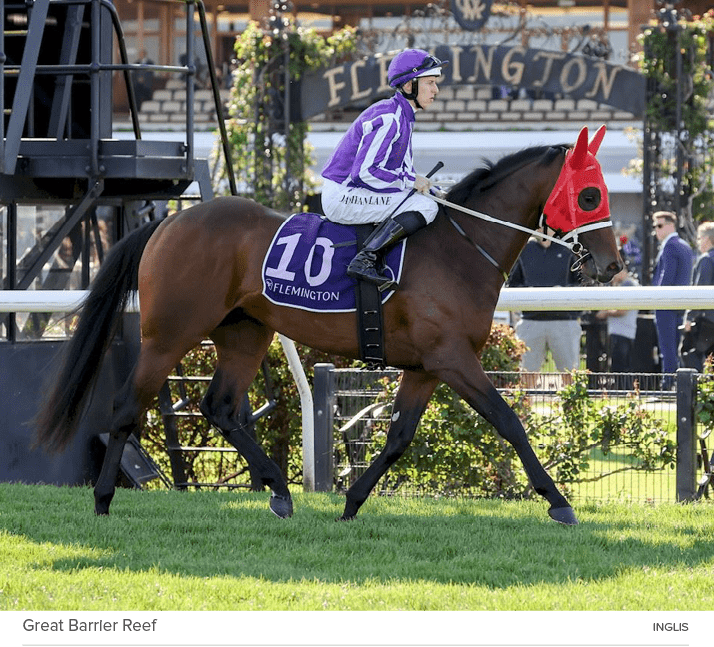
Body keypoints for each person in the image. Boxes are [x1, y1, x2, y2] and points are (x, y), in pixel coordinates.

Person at [320, 48, 448, 291]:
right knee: (426, 206)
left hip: (356, 191)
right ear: (410, 85)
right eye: (430, 82)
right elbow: (365, 172)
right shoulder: (390, 117)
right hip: (343, 195)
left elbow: (401, 172)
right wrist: (412, 181)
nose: (436, 90)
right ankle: (366, 259)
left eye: (435, 83)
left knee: (432, 199)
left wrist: (433, 189)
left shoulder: (403, 115)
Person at [508, 234, 582, 388]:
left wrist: (561, 293)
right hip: (530, 322)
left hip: (564, 322)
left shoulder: (570, 250)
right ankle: (523, 411)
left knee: (570, 375)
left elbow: (582, 284)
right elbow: (512, 285)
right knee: (526, 375)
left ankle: (572, 411)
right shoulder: (523, 249)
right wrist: (532, 294)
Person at [651, 210, 694, 388]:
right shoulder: (685, 245)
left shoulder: (670, 246)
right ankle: (681, 387)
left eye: (659, 226)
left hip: (666, 305)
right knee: (674, 349)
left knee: (667, 350)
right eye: (654, 226)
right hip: (680, 305)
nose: (656, 230)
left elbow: (665, 278)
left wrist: (654, 300)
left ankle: (667, 386)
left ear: (670, 225)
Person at [595, 267, 639, 389]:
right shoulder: (630, 284)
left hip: (621, 332)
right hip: (626, 331)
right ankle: (626, 391)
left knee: (620, 367)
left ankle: (622, 391)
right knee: (624, 366)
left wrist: (605, 313)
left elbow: (622, 310)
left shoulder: (627, 285)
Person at [680, 221, 714, 371]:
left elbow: (699, 292)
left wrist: (689, 317)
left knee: (688, 353)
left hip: (706, 320)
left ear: (706, 239)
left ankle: (694, 392)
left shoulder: (706, 259)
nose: (698, 242)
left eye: (699, 238)